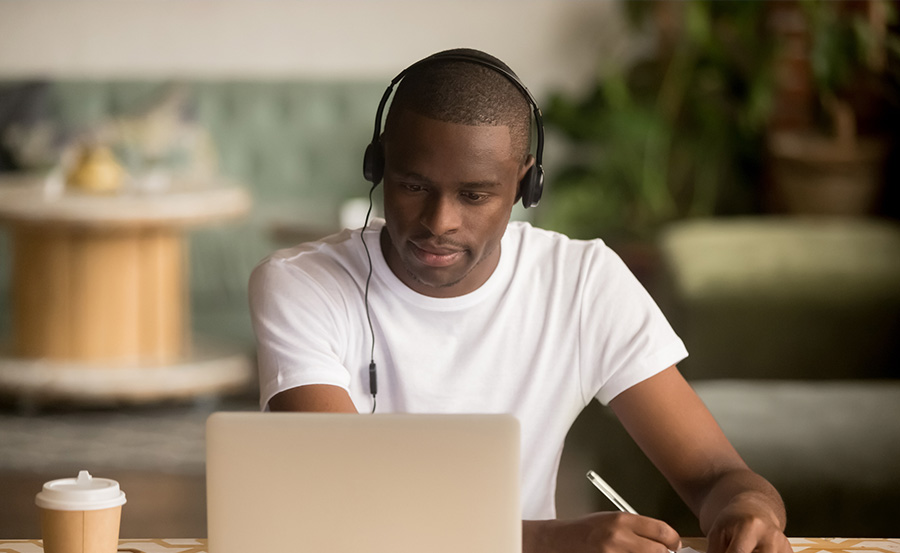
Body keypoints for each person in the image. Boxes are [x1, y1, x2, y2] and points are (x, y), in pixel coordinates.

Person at [249, 49, 790, 553]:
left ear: (525, 185)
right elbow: (335, 505)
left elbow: (716, 475)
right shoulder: (302, 285)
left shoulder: (582, 283)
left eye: (474, 195)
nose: (440, 223)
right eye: (414, 186)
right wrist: (549, 542)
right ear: (379, 166)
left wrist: (748, 508)